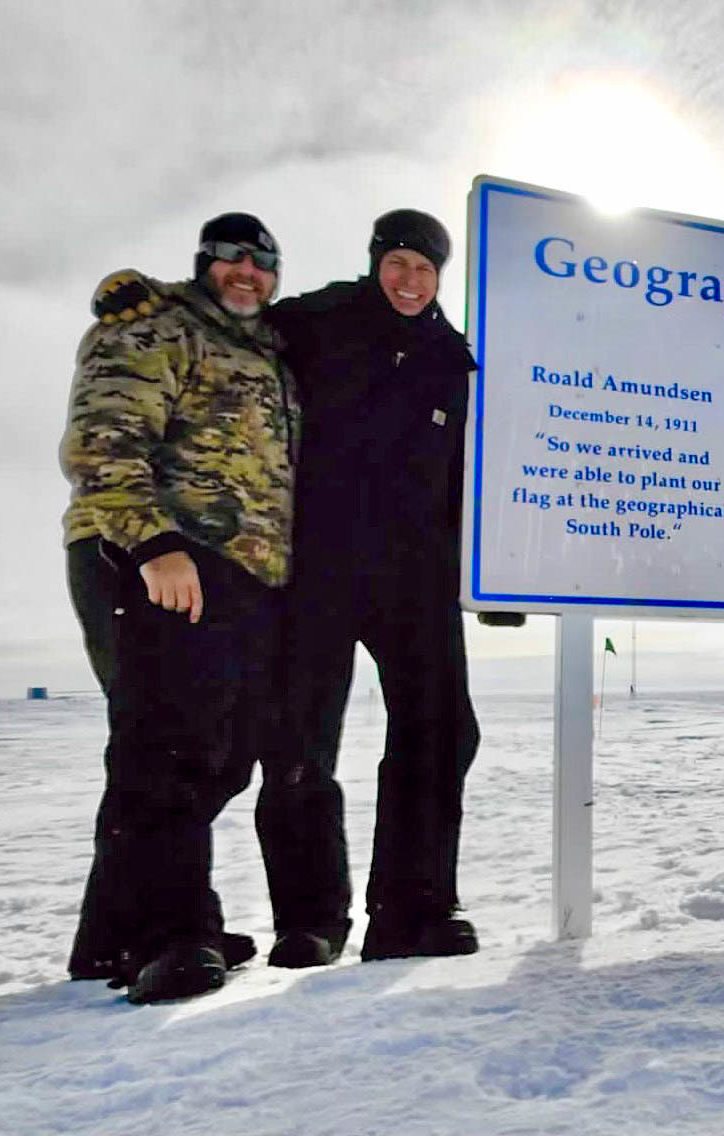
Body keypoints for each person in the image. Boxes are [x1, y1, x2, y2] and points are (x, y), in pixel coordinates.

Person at [59, 213, 298, 1003]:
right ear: (204, 263)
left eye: (262, 262)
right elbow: (104, 437)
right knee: (166, 748)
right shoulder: (156, 323)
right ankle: (169, 936)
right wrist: (152, 542)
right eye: (230, 258)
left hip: (232, 572)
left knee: (216, 753)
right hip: (153, 557)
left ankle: (110, 937)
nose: (246, 272)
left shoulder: (267, 350)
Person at [257, 209, 481, 965]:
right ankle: (309, 919)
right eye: (398, 265)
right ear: (376, 262)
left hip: (416, 572)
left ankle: (414, 909)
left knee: (442, 729)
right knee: (299, 737)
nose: (410, 281)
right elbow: (234, 315)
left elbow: (481, 473)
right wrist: (151, 300)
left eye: (425, 269)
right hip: (317, 564)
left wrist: (497, 573)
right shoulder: (315, 322)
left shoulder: (454, 358)